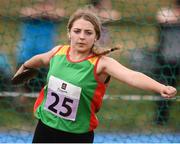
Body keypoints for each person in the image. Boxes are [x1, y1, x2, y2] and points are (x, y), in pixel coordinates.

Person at [13, 9, 177, 143]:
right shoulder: (58, 52)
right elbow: (39, 59)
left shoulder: (101, 64)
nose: (82, 36)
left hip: (77, 135)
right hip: (45, 129)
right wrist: (25, 66)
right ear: (69, 33)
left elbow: (132, 76)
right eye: (77, 31)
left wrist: (160, 87)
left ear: (96, 37)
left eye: (88, 32)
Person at [15, 0, 66, 105]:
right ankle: (21, 107)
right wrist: (41, 13)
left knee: (46, 89)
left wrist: (44, 14)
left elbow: (60, 14)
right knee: (23, 88)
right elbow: (25, 12)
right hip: (26, 57)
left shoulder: (54, 14)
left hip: (46, 59)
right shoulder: (28, 12)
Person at [154, 0, 180, 125]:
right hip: (168, 60)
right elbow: (161, 18)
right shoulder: (166, 13)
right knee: (165, 90)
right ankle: (161, 121)